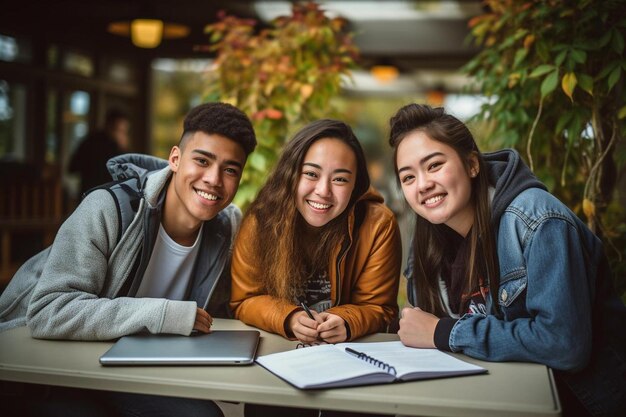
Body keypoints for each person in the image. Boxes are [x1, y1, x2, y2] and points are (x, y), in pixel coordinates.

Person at [0, 102, 257, 417]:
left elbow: (226, 309)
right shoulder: (107, 208)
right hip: (54, 366)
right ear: (175, 159)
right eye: (202, 160)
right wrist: (163, 314)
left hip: (133, 371)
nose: (214, 179)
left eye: (230, 169)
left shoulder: (226, 229)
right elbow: (49, 310)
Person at [388, 103, 626, 417]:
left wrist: (445, 332)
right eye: (408, 177)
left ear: (472, 164)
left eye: (434, 165)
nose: (423, 185)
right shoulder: (427, 241)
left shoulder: (536, 220)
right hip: (486, 396)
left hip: (575, 402)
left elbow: (563, 344)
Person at [231, 119, 401, 417]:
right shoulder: (261, 221)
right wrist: (289, 317)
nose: (322, 191)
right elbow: (245, 299)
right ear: (291, 174)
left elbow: (380, 308)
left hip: (353, 364)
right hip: (279, 358)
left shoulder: (378, 224)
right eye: (311, 174)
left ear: (356, 184)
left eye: (340, 179)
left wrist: (345, 320)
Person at [69, 108, 131, 196]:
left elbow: (72, 168)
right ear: (110, 127)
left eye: (125, 132)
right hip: (103, 199)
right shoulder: (111, 148)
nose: (123, 136)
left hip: (89, 197)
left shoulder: (89, 140)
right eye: (120, 131)